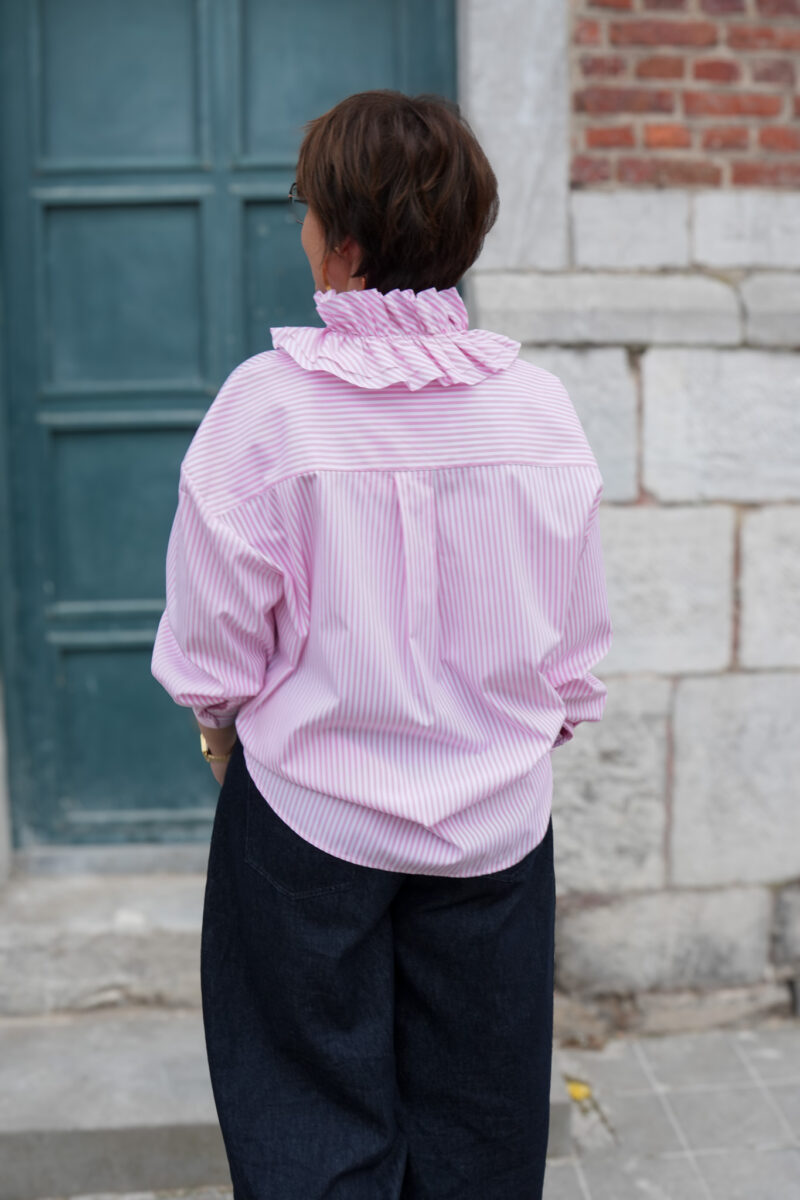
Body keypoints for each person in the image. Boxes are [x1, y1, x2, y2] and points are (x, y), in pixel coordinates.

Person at [151, 89, 612, 1200]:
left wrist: (221, 733)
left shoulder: (266, 409)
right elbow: (572, 650)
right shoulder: (539, 409)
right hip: (495, 829)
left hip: (307, 822)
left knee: (307, 1130)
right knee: (482, 1136)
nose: (302, 230)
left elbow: (214, 644)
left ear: (347, 245)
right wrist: (503, 737)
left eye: (308, 209)